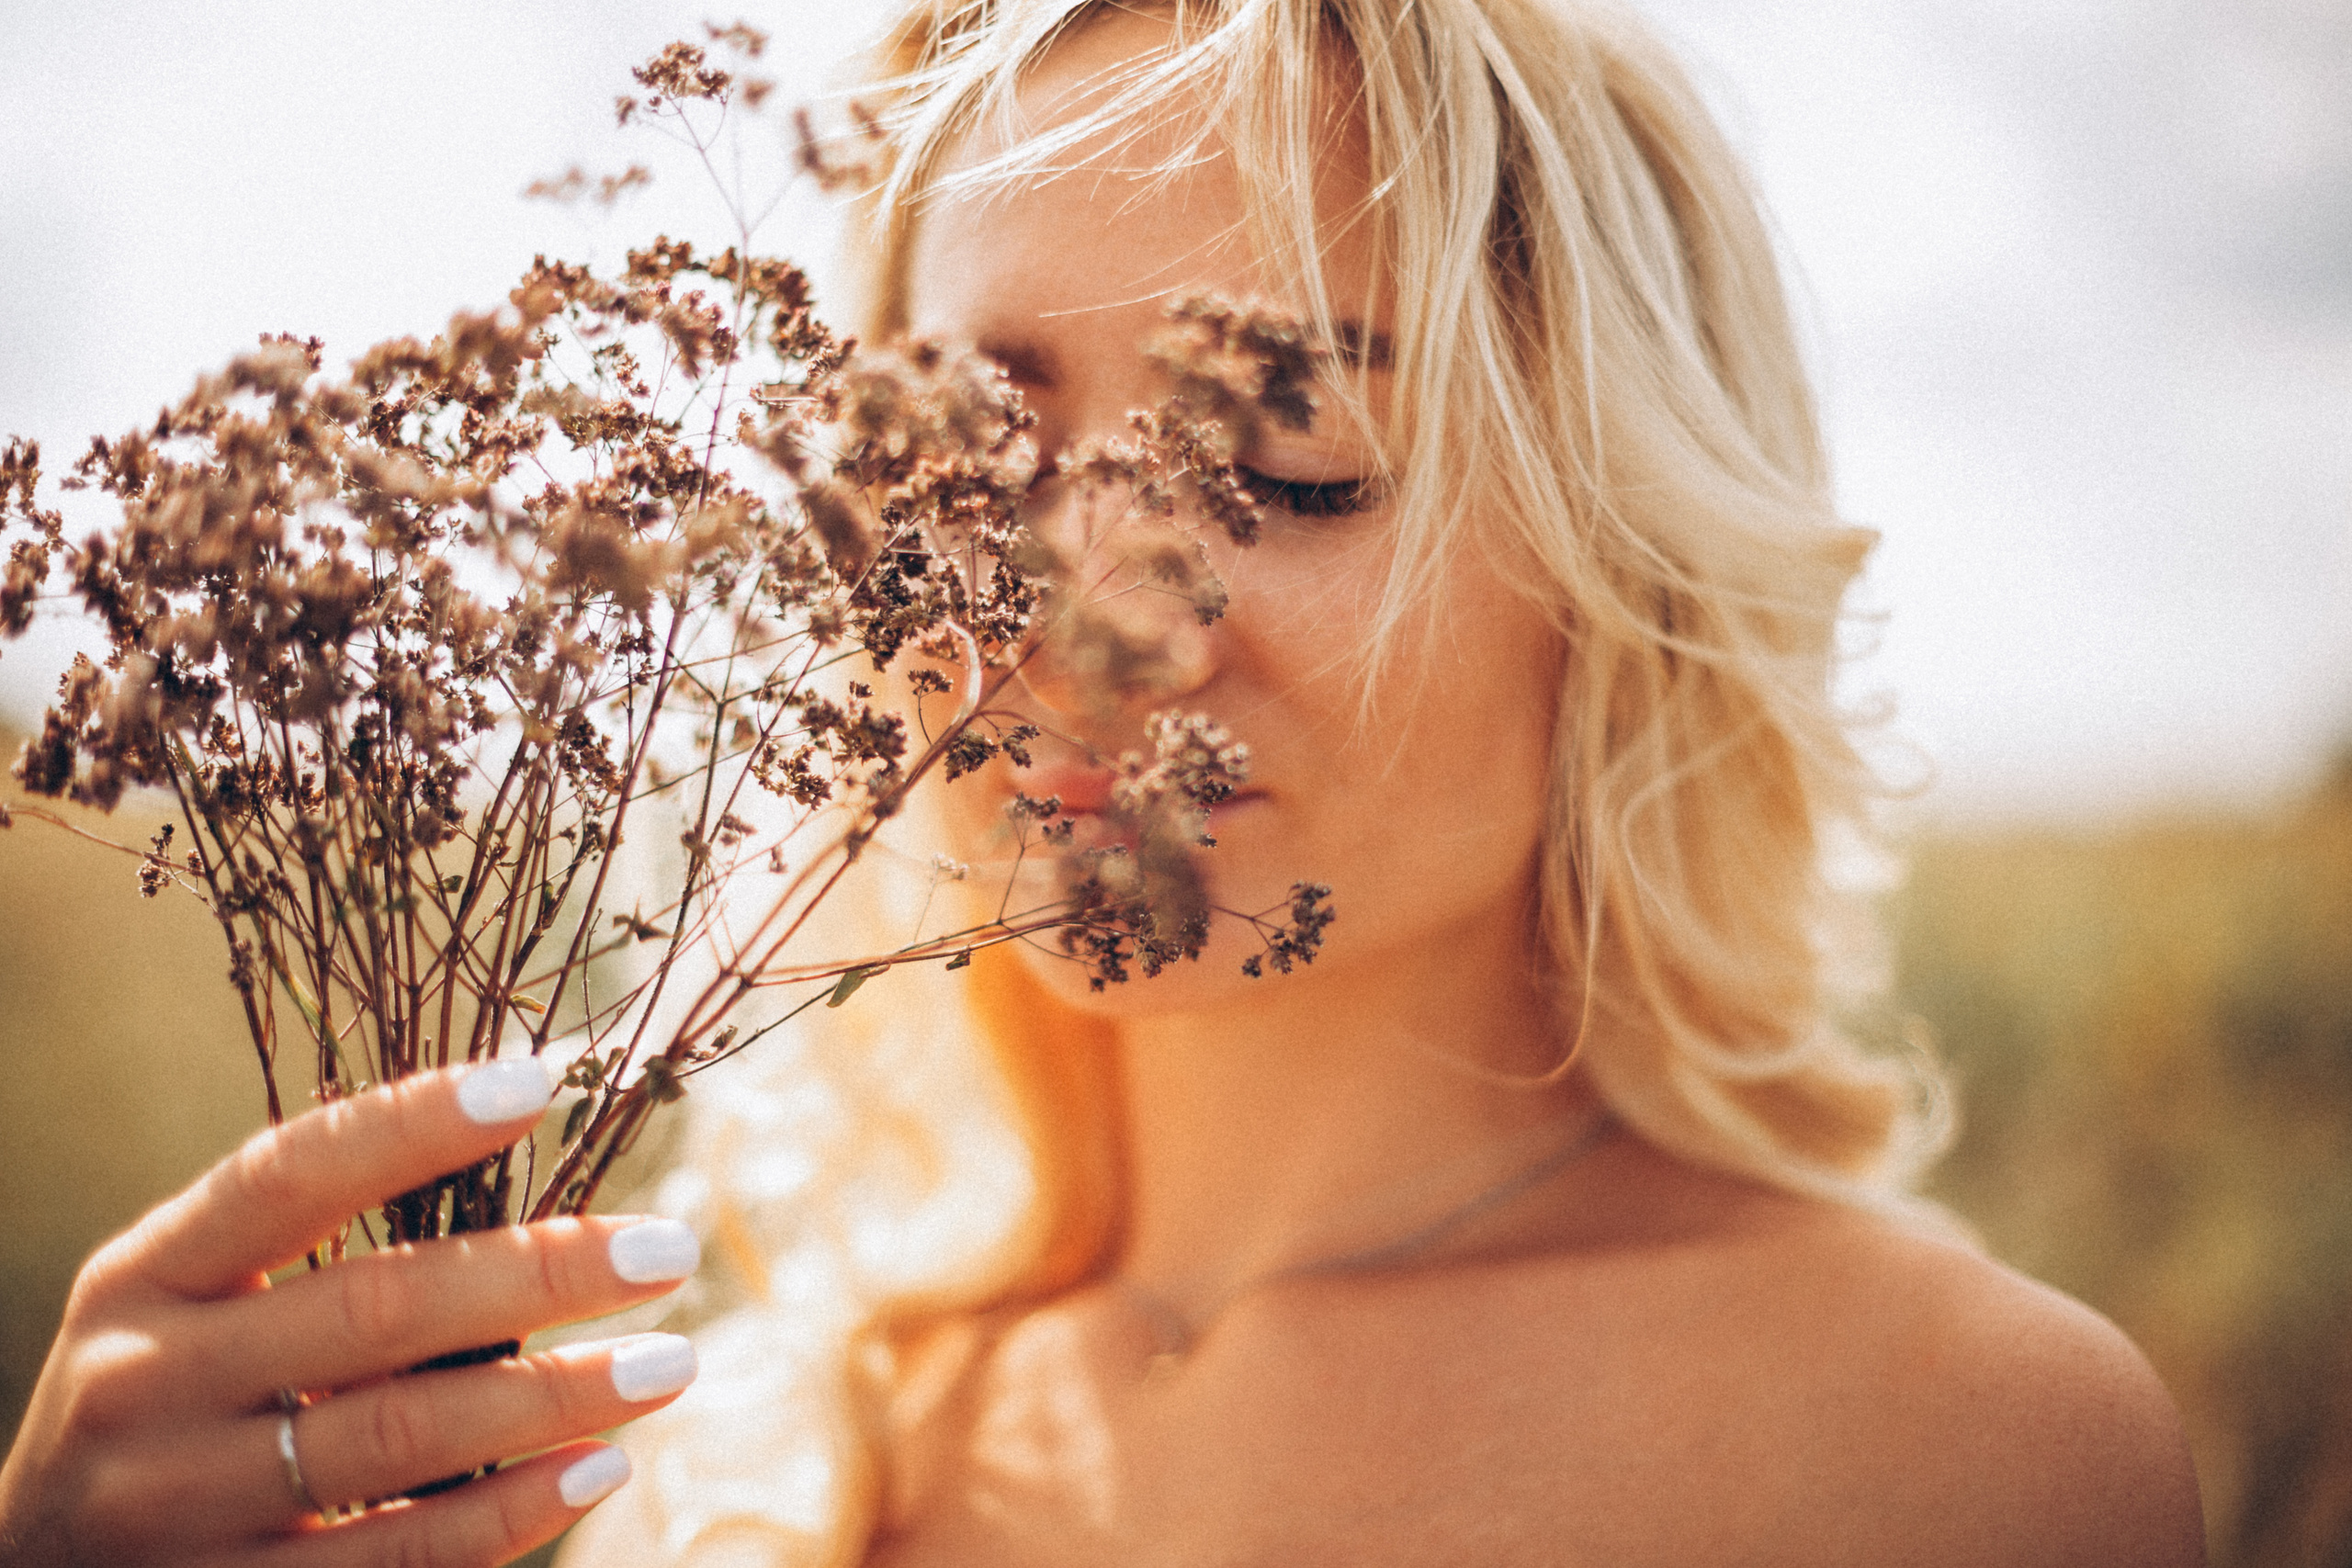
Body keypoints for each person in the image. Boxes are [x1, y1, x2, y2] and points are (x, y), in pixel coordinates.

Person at [0, 1, 2207, 1564]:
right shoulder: (700, 1456)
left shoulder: (1945, 1448)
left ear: (1629, 566)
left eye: (1290, 455)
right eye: (975, 444)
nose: (1086, 606)